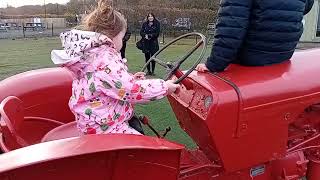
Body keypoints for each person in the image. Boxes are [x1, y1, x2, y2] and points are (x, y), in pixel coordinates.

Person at [50, 0, 179, 135]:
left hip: (93, 121)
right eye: (122, 38)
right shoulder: (105, 59)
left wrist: (130, 78)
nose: (122, 43)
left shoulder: (92, 55)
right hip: (104, 127)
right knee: (143, 147)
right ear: (113, 35)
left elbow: (107, 83)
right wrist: (165, 87)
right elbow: (132, 91)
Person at [197, 0, 315, 72]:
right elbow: (305, 7)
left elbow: (231, 26)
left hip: (251, 58)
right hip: (284, 54)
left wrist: (214, 64)